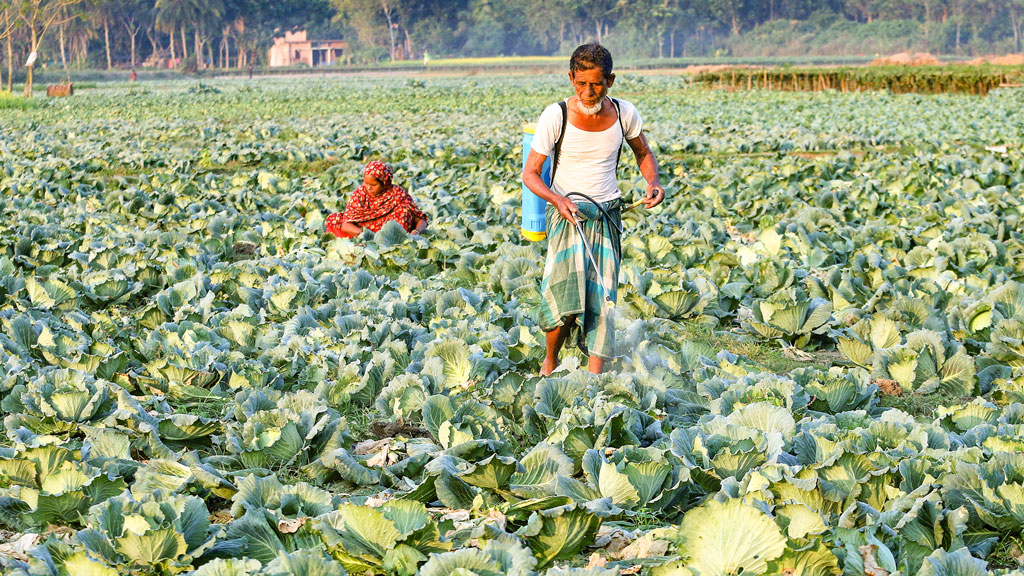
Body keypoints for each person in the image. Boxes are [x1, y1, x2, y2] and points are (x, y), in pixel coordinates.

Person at [521, 43, 664, 376]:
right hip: (567, 215)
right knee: (563, 294)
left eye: (596, 84)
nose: (588, 91)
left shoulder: (624, 114)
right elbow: (530, 173)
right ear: (571, 78)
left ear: (610, 81)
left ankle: (595, 376)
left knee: (602, 297)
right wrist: (557, 200)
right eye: (581, 83)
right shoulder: (555, 116)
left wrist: (653, 182)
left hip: (608, 215)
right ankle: (551, 360)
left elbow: (643, 153)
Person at [326, 161, 428, 238]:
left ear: (384, 183)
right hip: (364, 234)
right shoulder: (360, 193)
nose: (368, 188)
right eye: (366, 183)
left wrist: (417, 231)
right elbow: (347, 220)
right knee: (334, 222)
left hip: (391, 239)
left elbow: (420, 220)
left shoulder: (398, 195)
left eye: (373, 185)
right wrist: (366, 235)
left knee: (403, 210)